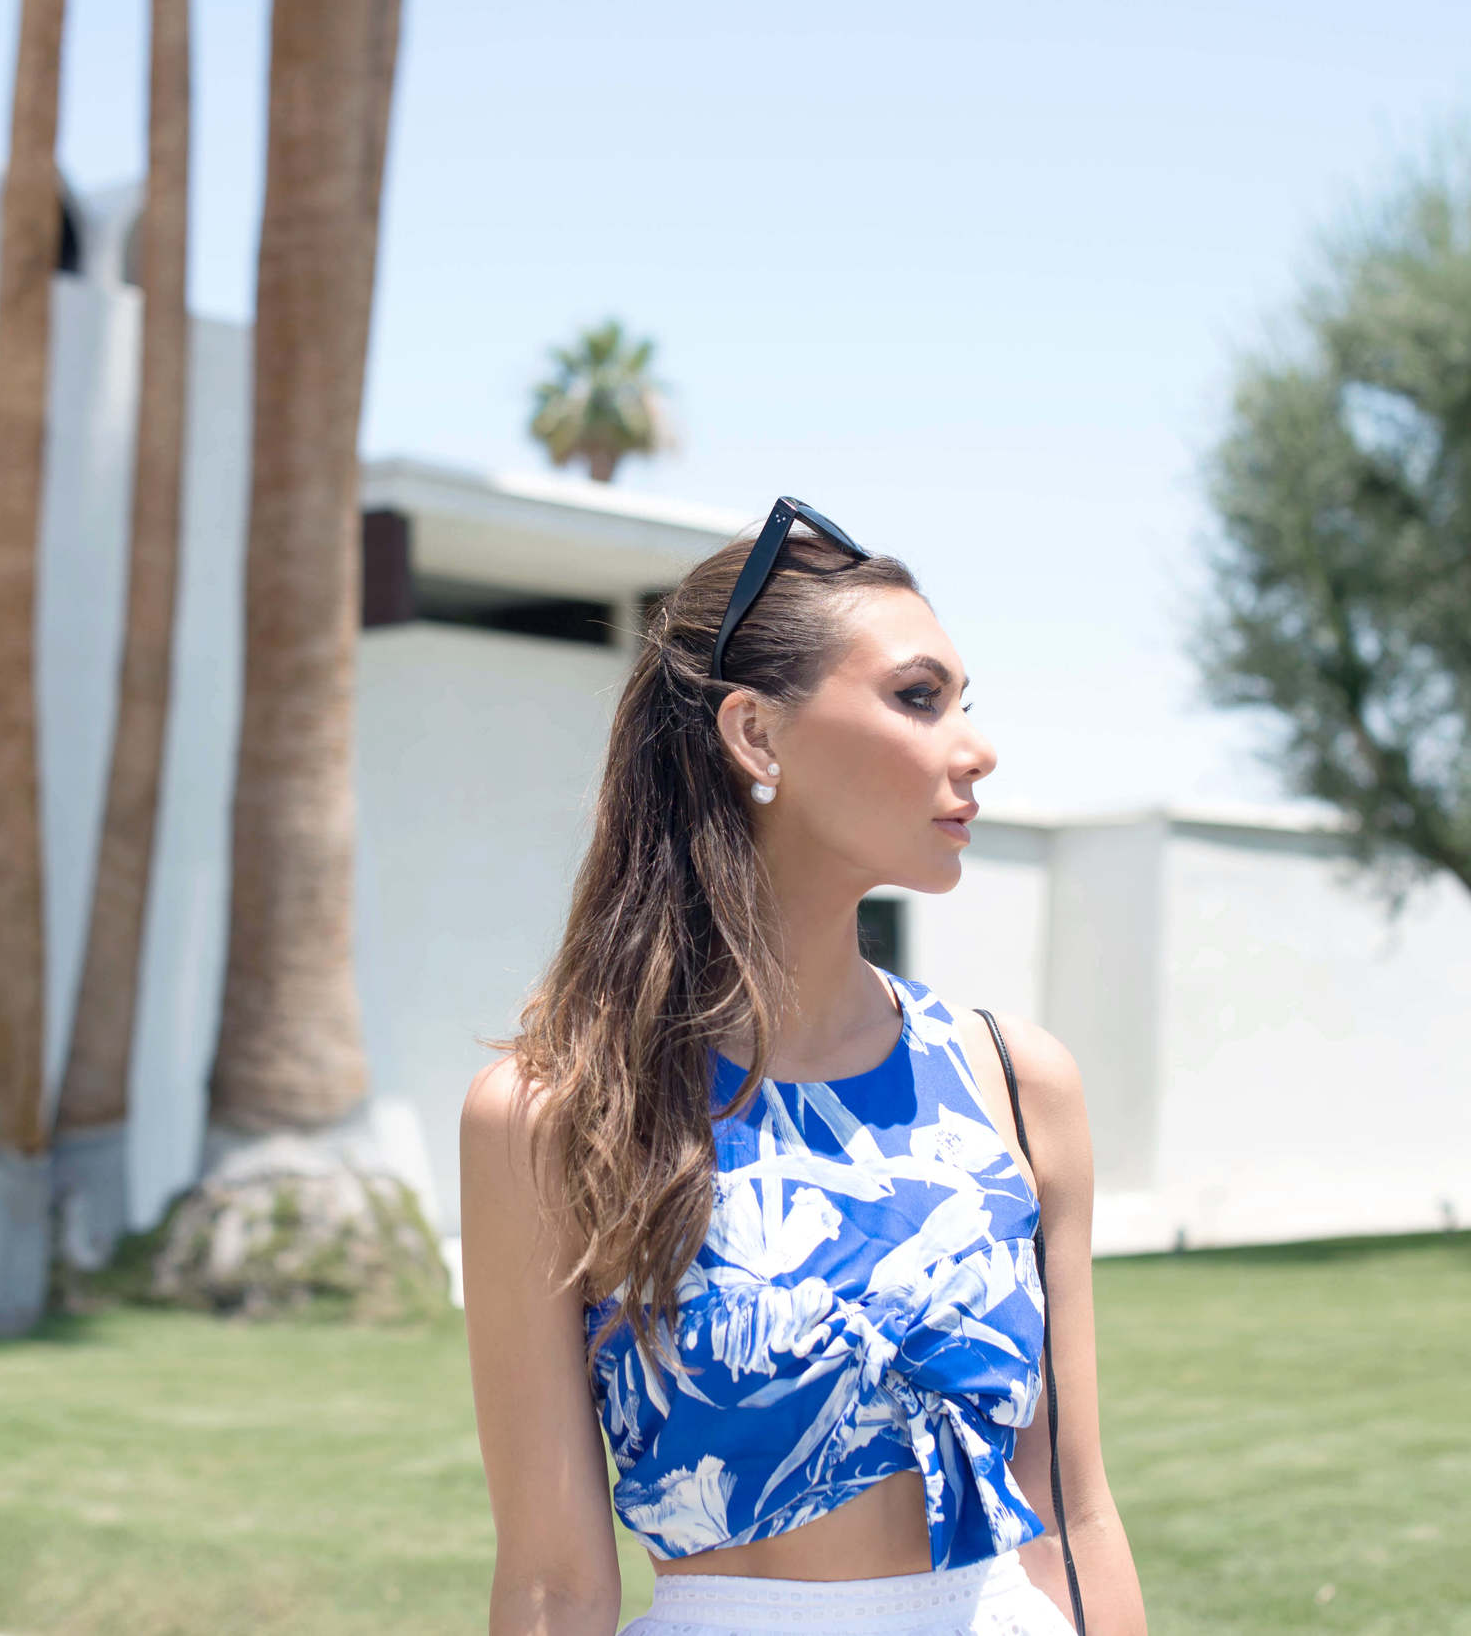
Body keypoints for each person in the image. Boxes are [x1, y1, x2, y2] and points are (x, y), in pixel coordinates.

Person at [460, 501, 1147, 1636]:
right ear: (756, 737)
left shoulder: (1018, 1084)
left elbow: (1074, 1516)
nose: (974, 748)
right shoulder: (558, 1114)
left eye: (963, 705)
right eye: (919, 698)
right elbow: (551, 1581)